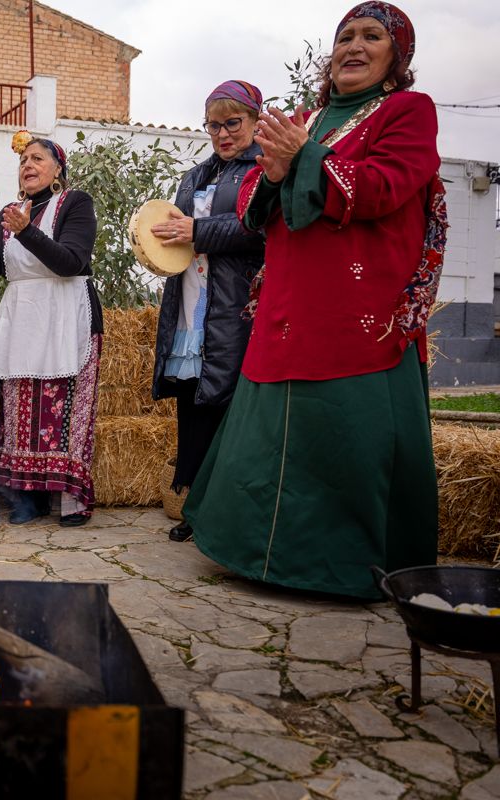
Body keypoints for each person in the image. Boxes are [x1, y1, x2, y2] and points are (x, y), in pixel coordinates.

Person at [185, 1, 446, 599]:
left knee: (346, 434)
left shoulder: (407, 111)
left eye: (371, 36)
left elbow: (383, 186)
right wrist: (275, 172)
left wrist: (302, 158)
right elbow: (254, 199)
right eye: (344, 36)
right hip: (287, 303)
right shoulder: (310, 116)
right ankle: (256, 555)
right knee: (268, 431)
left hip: (360, 309)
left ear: (396, 56)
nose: (353, 46)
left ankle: (346, 567)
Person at [150, 80, 266, 543]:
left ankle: (224, 514)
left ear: (256, 121)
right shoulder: (194, 176)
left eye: (232, 123)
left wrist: (198, 230)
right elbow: (173, 231)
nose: (222, 133)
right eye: (213, 125)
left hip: (235, 305)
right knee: (192, 402)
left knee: (226, 408)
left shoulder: (264, 171)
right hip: (191, 302)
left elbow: (257, 229)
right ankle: (193, 507)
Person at [0, 133, 102, 526]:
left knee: (63, 408)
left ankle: (69, 497)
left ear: (58, 168)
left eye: (37, 158)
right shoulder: (13, 210)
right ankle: (27, 497)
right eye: (23, 159)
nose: (27, 165)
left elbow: (71, 262)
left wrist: (27, 230)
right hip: (23, 316)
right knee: (21, 409)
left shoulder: (76, 203)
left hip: (66, 313)